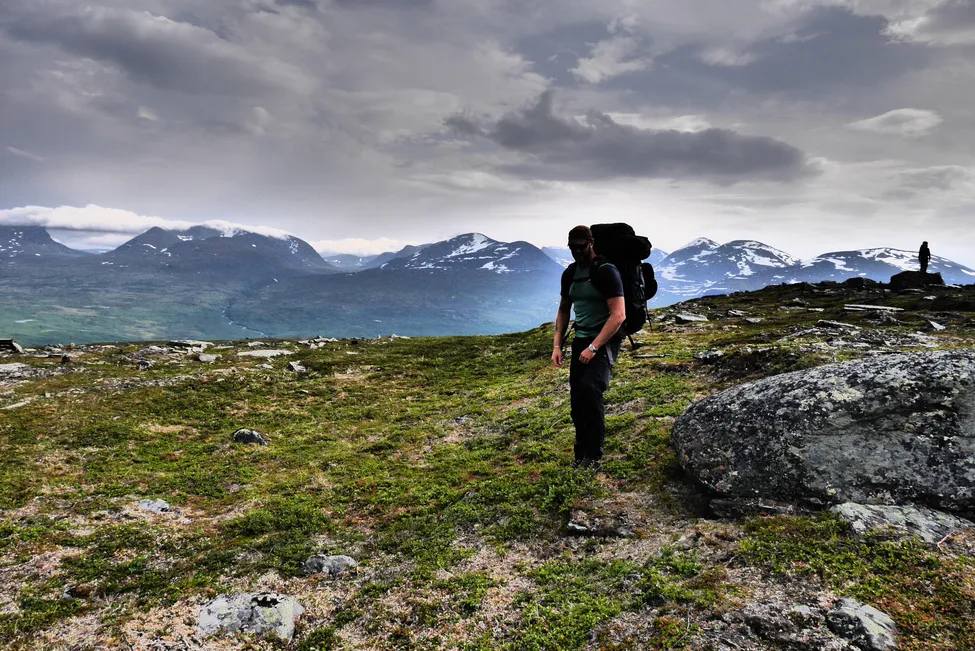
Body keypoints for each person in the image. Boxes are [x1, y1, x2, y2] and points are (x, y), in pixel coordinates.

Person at [552, 226, 626, 471]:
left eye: (581, 247)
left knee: (591, 390)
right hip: (581, 338)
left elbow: (618, 315)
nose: (577, 252)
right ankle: (580, 455)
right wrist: (556, 345)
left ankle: (593, 457)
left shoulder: (606, 272)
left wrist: (594, 347)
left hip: (604, 340)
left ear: (591, 243)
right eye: (572, 248)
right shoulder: (570, 273)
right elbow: (564, 310)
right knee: (577, 400)